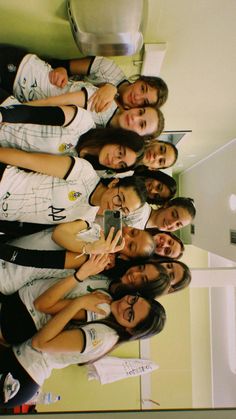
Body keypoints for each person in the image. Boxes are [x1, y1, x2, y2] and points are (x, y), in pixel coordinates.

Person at [0, 277, 166, 407]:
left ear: (131, 330)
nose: (124, 304)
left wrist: (79, 302)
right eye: (133, 300)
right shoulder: (106, 309)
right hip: (22, 359)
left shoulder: (103, 337)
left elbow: (40, 344)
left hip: (21, 374)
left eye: (130, 314)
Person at [0, 253, 170, 346]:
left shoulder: (103, 306)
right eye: (140, 268)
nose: (135, 274)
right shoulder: (111, 281)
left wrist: (81, 274)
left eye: (143, 280)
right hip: (18, 294)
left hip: (19, 318)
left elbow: (43, 305)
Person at [0, 147, 146, 224]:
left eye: (123, 210)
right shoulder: (84, 172)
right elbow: (27, 160)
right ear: (114, 183)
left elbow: (59, 236)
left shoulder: (86, 217)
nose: (116, 207)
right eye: (119, 199)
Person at [0, 46, 168, 111]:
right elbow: (61, 64)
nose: (137, 97)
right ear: (139, 80)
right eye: (143, 89)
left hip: (22, 107)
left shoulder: (119, 120)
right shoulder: (109, 68)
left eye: (144, 102)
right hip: (23, 74)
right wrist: (61, 70)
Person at [123, 197, 196, 231]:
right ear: (167, 205)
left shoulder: (144, 233)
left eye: (178, 224)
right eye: (174, 214)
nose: (171, 223)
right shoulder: (140, 207)